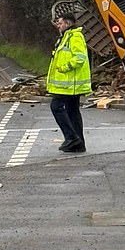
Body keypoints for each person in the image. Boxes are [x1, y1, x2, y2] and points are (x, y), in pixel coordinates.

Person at [46, 13, 92, 153]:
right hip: (69, 83)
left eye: (60, 23)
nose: (58, 26)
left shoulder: (75, 36)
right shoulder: (66, 36)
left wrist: (65, 67)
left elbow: (80, 58)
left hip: (70, 83)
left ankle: (71, 138)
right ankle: (79, 144)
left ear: (68, 23)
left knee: (56, 106)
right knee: (72, 111)